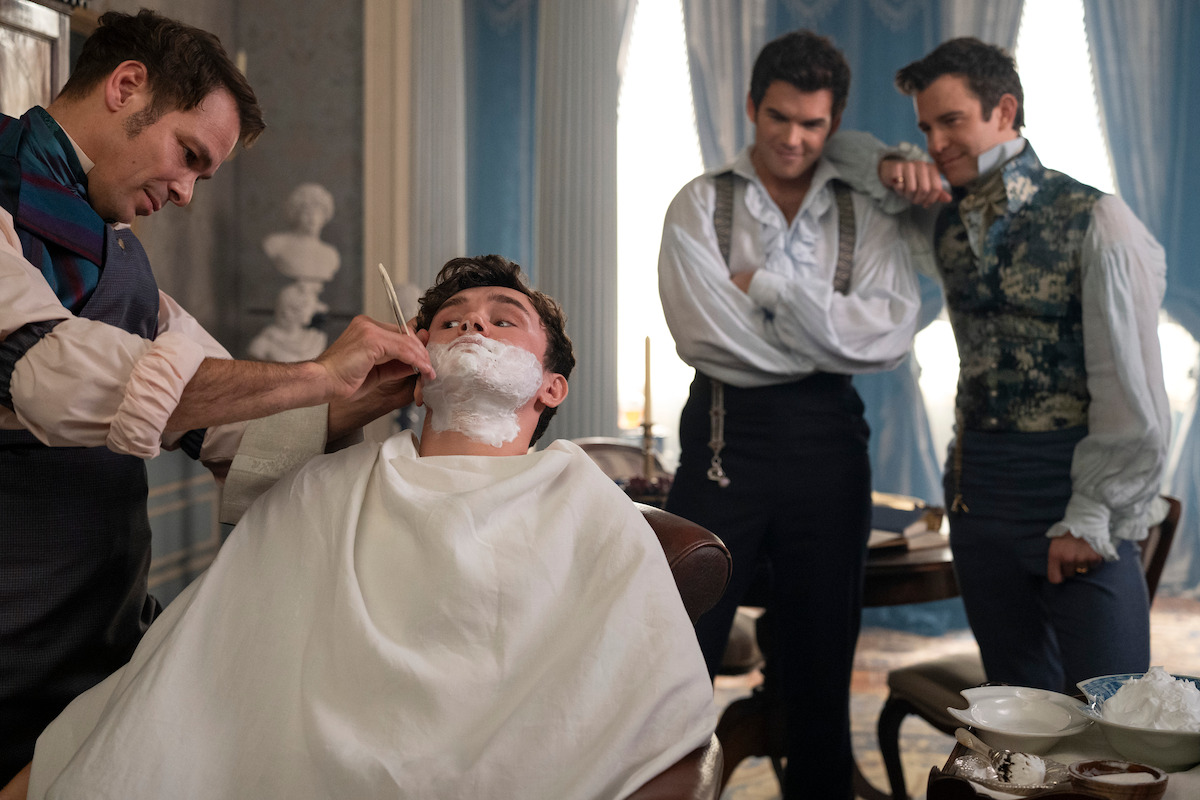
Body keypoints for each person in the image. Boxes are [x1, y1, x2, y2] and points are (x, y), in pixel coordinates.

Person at [22, 255, 717, 800]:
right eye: (450, 321)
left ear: (551, 386)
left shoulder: (583, 500)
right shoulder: (327, 487)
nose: (472, 326)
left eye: (503, 320)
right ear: (416, 369)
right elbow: (210, 669)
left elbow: (645, 695)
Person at [0, 10, 432, 789]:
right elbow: (49, 373)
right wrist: (316, 373)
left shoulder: (123, 259)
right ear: (126, 87)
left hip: (103, 647)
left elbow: (234, 431)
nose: (186, 194)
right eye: (189, 156)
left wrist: (365, 397)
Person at [657, 29, 922, 798]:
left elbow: (888, 333)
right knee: (678, 654)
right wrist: (826, 336)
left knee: (821, 666)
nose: (795, 139)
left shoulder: (865, 211)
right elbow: (704, 335)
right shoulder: (699, 203)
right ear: (751, 107)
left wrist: (768, 297)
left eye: (813, 124)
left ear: (833, 122)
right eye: (779, 118)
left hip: (830, 450)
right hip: (721, 445)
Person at [863, 37, 1169, 694]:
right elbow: (843, 161)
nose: (936, 142)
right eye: (925, 127)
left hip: (1071, 490)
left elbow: (1132, 388)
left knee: (1113, 711)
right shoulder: (939, 217)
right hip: (977, 495)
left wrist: (1090, 514)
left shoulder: (1095, 217)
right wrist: (890, 162)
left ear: (1004, 111)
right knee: (1020, 713)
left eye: (951, 121)